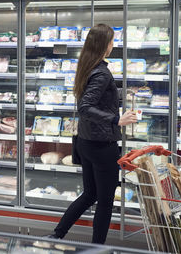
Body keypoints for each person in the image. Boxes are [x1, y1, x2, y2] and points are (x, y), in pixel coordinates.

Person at [47, 24, 138, 244]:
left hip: (86, 143)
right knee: (105, 201)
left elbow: (91, 101)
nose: (113, 45)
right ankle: (97, 248)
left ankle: (57, 234)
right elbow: (86, 106)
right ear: (104, 45)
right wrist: (117, 119)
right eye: (111, 41)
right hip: (101, 145)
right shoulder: (101, 72)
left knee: (90, 195)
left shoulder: (87, 67)